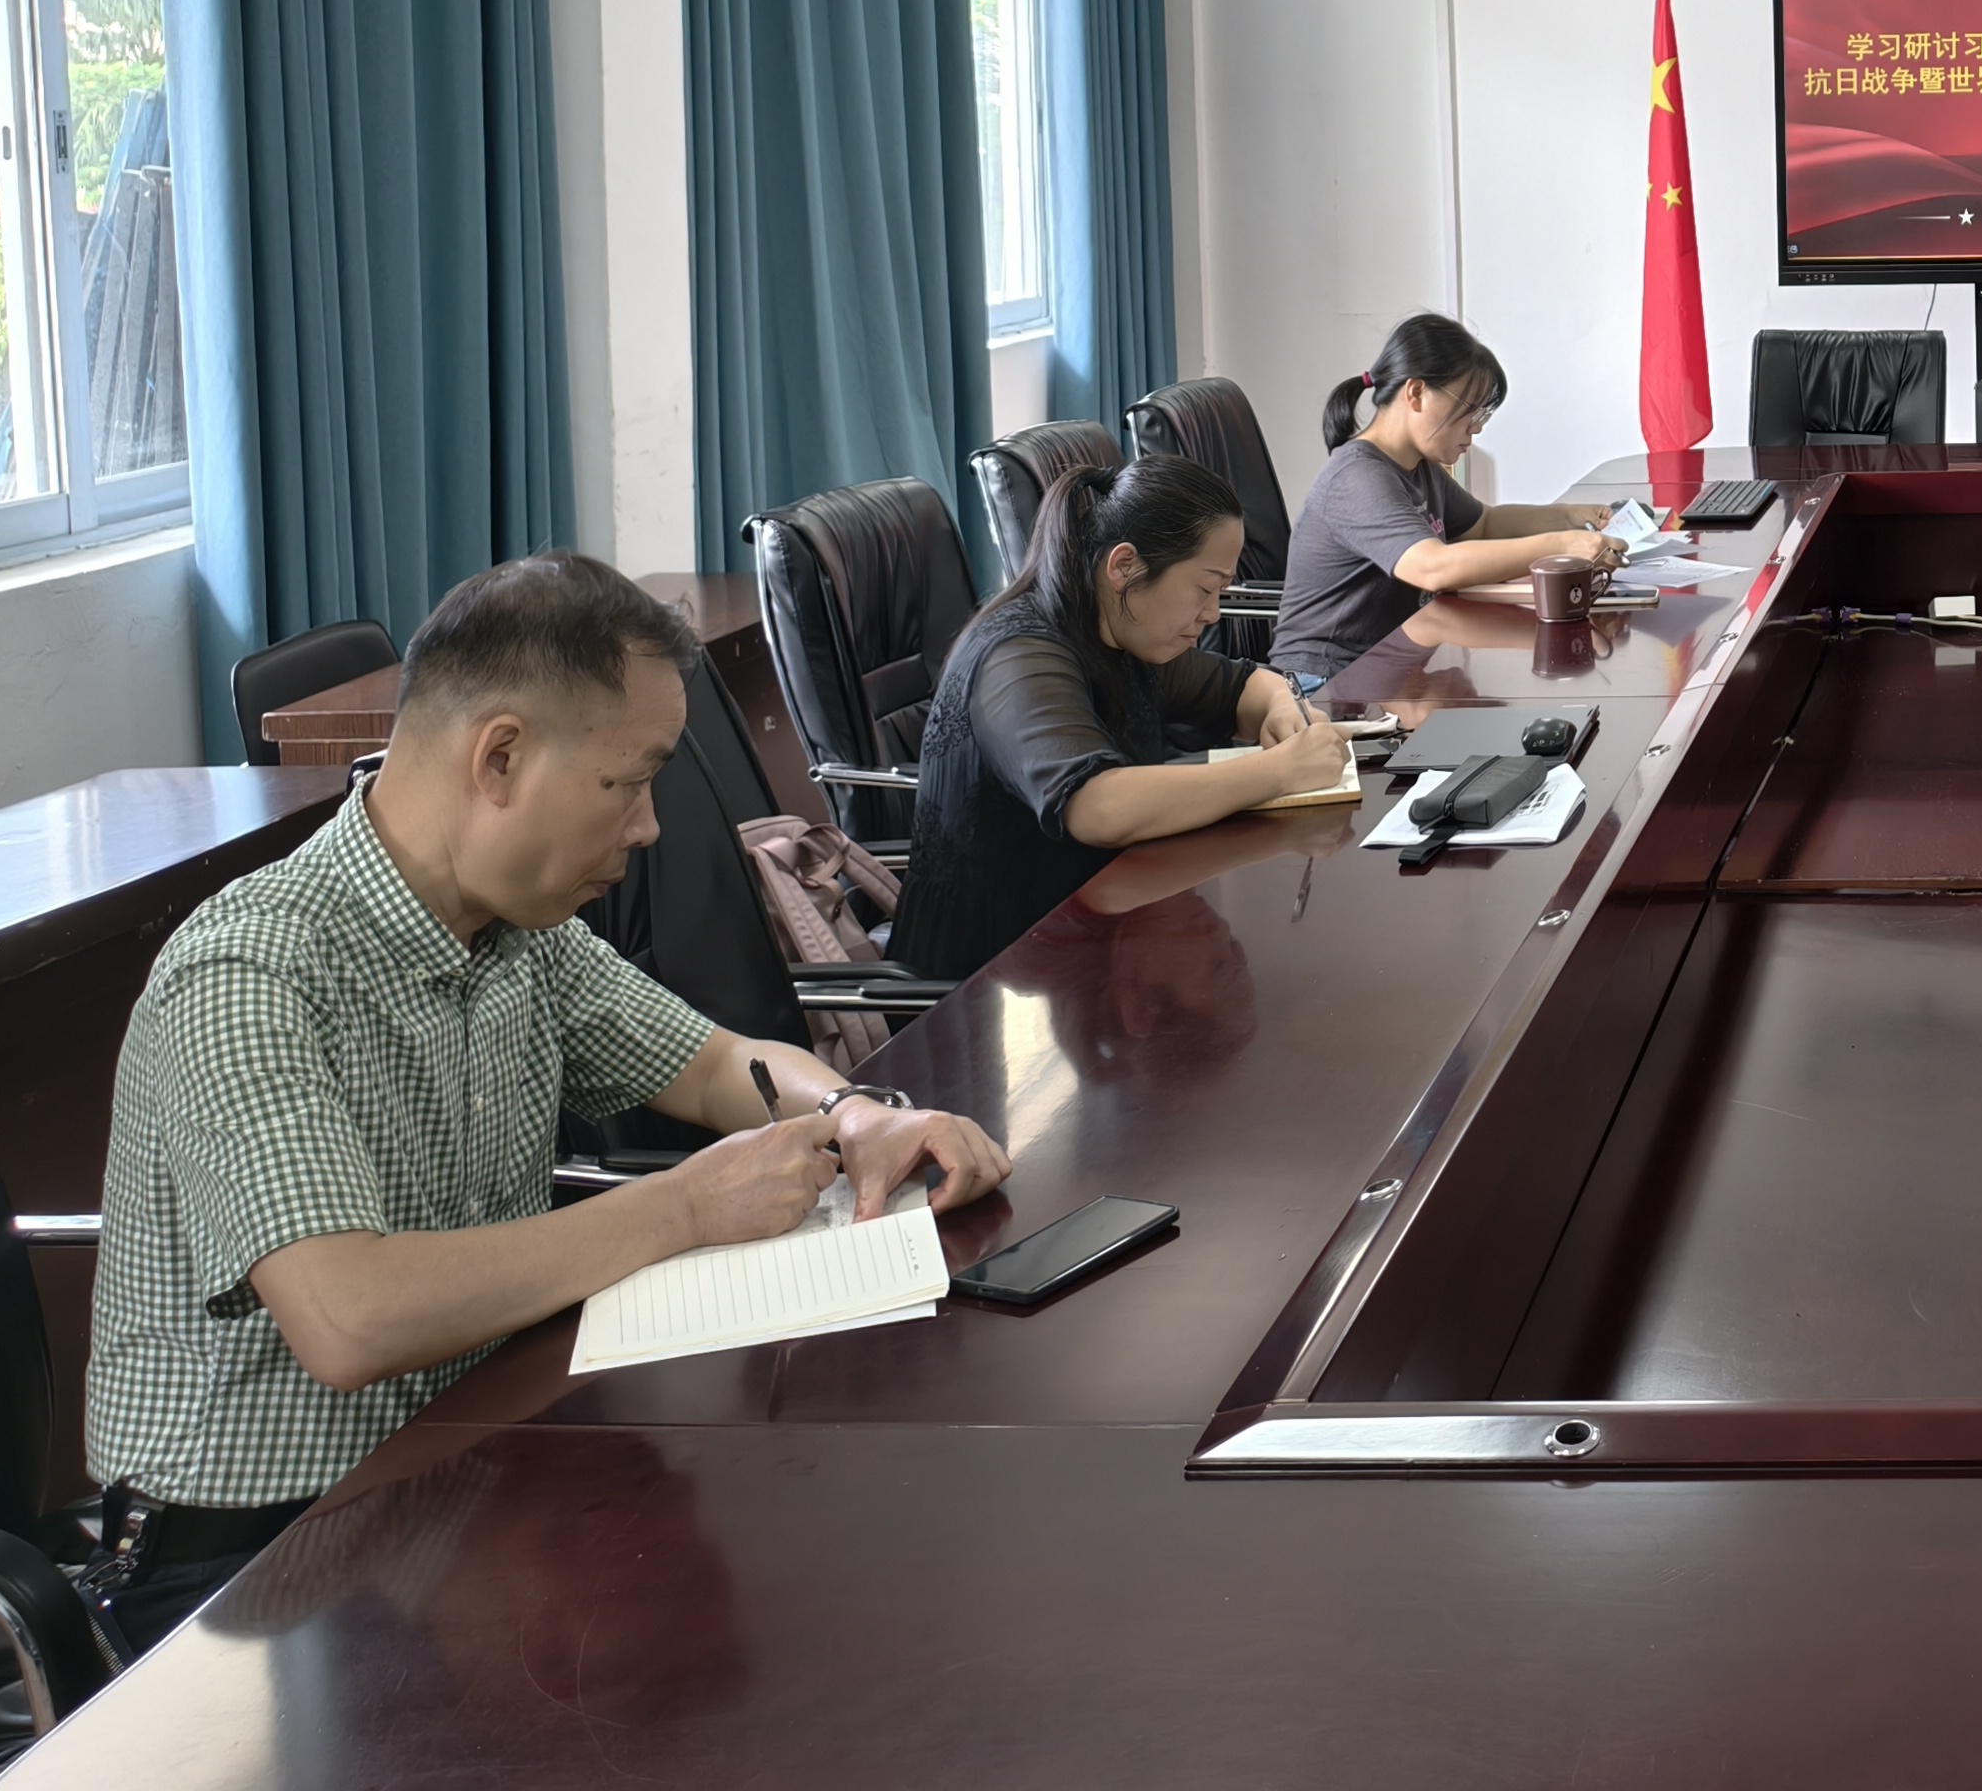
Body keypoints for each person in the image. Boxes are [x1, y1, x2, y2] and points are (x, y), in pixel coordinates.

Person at [83, 554, 1013, 1651]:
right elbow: (347, 1319)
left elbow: (716, 1066)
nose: (649, 827)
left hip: (462, 1471)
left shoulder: (516, 931)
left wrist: (857, 1114)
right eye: (628, 783)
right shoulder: (249, 975)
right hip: (256, 1560)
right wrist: (683, 1208)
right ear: (501, 757)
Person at [886, 454, 1355, 983]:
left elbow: (1242, 685)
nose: (1212, 614)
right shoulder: (1018, 656)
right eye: (1205, 589)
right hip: (988, 985)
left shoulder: (1122, 627)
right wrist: (1280, 771)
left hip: (1091, 936)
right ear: (1125, 566)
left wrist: (1283, 706)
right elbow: (1097, 806)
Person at [1272, 314, 1624, 686]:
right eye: (1470, 409)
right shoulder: (1357, 477)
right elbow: (1432, 567)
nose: (1478, 427)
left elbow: (1484, 524)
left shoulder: (1418, 467)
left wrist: (1571, 517)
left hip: (1387, 668)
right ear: (1416, 393)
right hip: (1324, 682)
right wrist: (1563, 547)